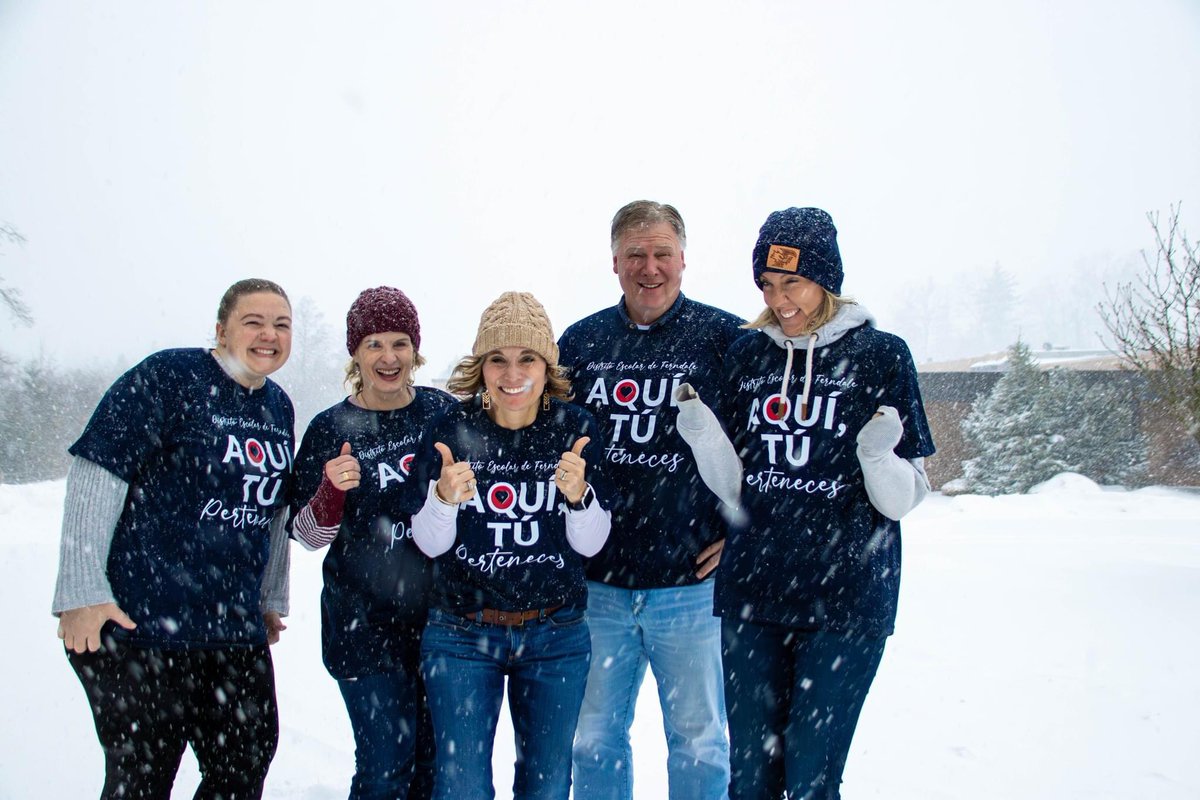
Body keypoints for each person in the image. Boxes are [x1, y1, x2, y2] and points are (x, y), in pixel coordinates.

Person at [674, 207, 936, 799]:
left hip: (846, 598)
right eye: (767, 284)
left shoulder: (882, 355)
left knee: (812, 775)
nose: (780, 299)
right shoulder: (747, 356)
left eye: (792, 282)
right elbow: (739, 486)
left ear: (826, 278)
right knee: (751, 778)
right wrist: (703, 433)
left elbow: (903, 499)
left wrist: (875, 456)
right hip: (753, 594)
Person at [52, 278, 297, 800]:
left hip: (231, 632)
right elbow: (100, 469)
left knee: (244, 765)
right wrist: (80, 592)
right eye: (253, 322)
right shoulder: (169, 376)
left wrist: (268, 598)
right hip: (142, 627)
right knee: (142, 778)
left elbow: (272, 508)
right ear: (220, 329)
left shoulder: (278, 407)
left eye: (281, 324)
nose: (269, 335)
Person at [558, 200, 743, 800]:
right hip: (599, 587)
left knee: (699, 739)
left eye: (662, 253)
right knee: (592, 738)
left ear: (683, 259)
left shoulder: (725, 338)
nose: (650, 267)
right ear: (614, 261)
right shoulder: (582, 342)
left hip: (691, 588)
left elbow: (764, 448)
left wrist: (747, 532)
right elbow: (541, 438)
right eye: (635, 254)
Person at [409, 291, 613, 800]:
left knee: (545, 787)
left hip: (555, 634)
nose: (512, 372)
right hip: (461, 632)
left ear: (548, 367)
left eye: (527, 358)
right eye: (497, 359)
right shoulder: (450, 430)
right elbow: (430, 544)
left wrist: (579, 497)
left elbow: (592, 543)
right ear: (480, 367)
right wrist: (442, 498)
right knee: (461, 786)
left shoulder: (577, 430)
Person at [289, 287, 454, 800]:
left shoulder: (440, 412)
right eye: (375, 344)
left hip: (439, 620)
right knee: (385, 765)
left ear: (415, 350)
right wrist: (329, 493)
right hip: (362, 625)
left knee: (434, 764)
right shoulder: (329, 428)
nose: (389, 357)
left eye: (400, 343)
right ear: (355, 352)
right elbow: (306, 535)